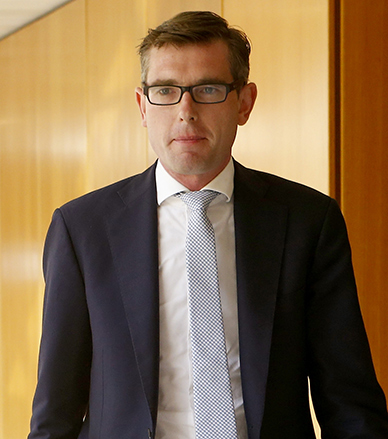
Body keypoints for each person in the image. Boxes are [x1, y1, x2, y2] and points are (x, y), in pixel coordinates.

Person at [28, 11, 388, 439]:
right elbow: (56, 410)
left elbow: (350, 404)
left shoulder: (307, 221)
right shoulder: (82, 229)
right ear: (143, 106)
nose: (186, 111)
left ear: (244, 102)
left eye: (208, 89)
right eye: (165, 91)